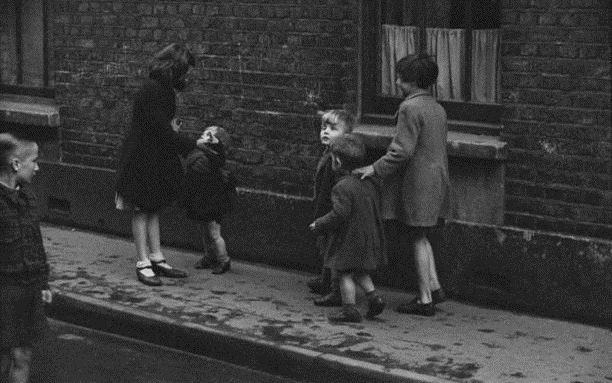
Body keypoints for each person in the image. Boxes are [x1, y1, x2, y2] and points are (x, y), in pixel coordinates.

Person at [354, 54, 451, 317]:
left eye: (399, 77)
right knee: (423, 234)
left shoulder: (409, 108)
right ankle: (435, 287)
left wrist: (374, 169)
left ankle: (424, 299)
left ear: (410, 81)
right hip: (437, 178)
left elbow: (402, 151)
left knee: (416, 237)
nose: (396, 82)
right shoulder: (437, 108)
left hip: (418, 181)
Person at [115, 43, 212, 286]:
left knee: (152, 206)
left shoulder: (163, 90)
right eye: (185, 71)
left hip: (154, 157)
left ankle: (156, 258)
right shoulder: (152, 91)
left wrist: (172, 130)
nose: (187, 77)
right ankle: (142, 262)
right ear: (174, 68)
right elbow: (160, 131)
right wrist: (193, 143)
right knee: (141, 209)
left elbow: (161, 128)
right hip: (142, 158)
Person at [309, 134, 387, 323]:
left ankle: (349, 309)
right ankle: (374, 298)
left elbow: (339, 214)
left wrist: (319, 224)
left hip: (348, 238)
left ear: (336, 161)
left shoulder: (341, 187)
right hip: (368, 235)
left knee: (344, 273)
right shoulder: (368, 181)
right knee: (361, 271)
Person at [0, 133, 52, 383]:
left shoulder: (28, 197)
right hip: (3, 290)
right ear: (16, 164)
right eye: (34, 160)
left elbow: (35, 242)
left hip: (27, 290)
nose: (37, 167)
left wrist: (43, 283)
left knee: (23, 355)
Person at [308, 109, 355, 308]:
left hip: (332, 210)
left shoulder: (337, 161)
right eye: (323, 127)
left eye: (333, 129)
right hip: (324, 207)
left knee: (334, 251)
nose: (325, 132)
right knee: (325, 248)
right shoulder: (328, 154)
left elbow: (332, 189)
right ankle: (325, 280)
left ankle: (336, 291)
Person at [178, 126, 236, 275]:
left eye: (209, 135)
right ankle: (209, 256)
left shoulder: (212, 156)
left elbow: (219, 159)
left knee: (214, 232)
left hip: (212, 200)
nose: (204, 135)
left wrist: (215, 144)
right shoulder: (197, 153)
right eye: (204, 133)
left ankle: (223, 259)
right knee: (205, 231)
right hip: (200, 199)